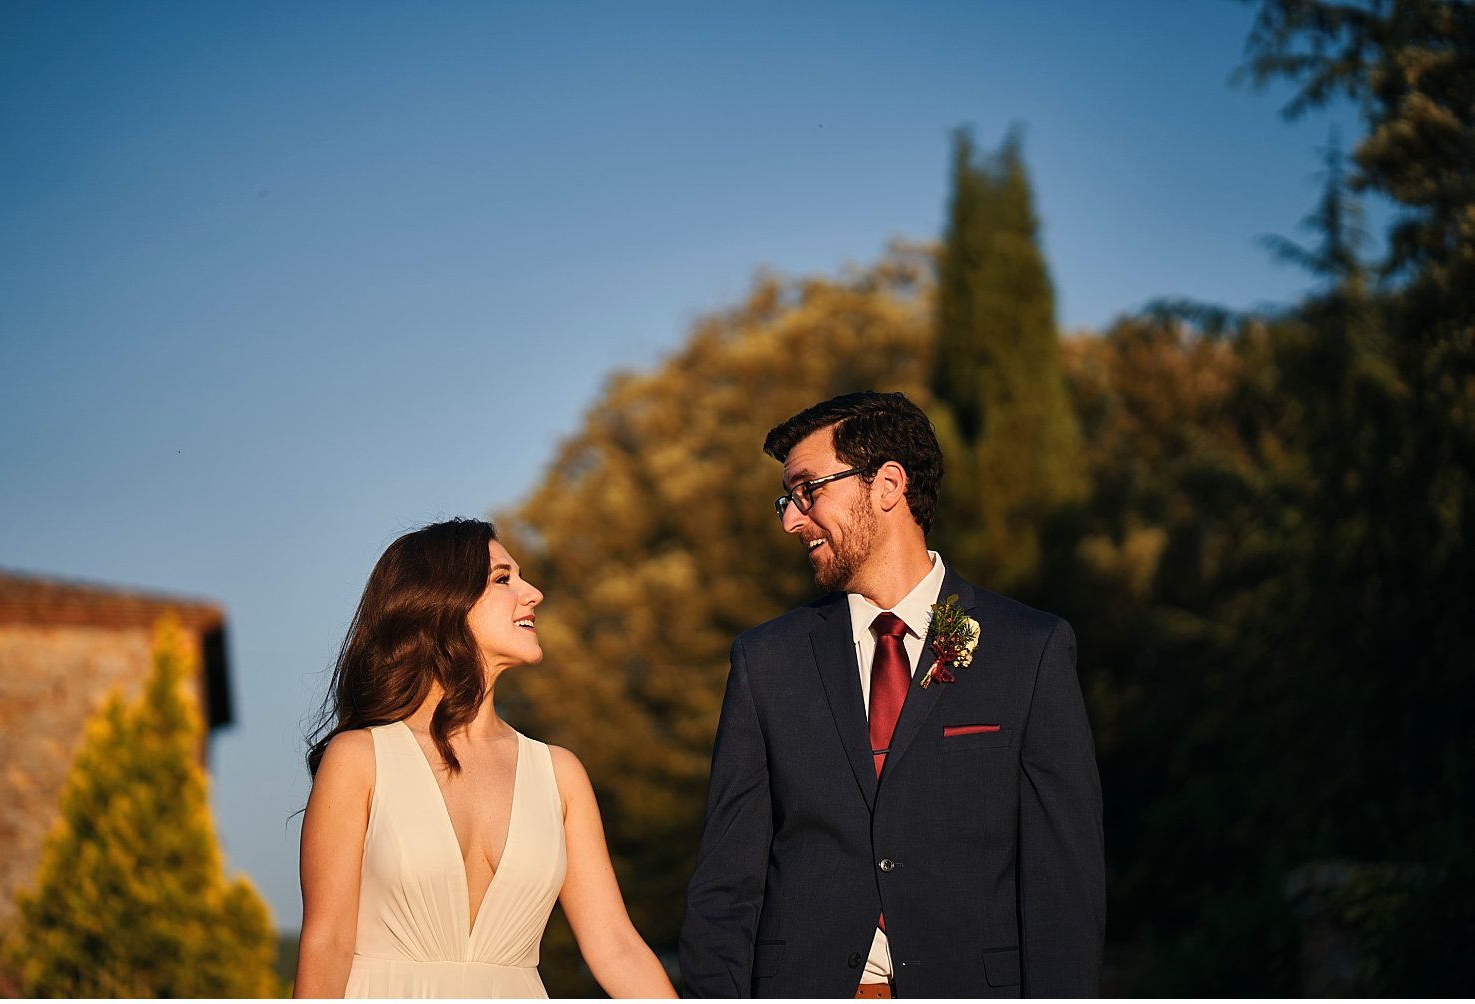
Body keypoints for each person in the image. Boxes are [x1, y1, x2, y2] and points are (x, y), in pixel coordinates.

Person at [680, 391, 1104, 998]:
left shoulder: (1029, 649)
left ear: (887, 485)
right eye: (786, 499)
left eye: (807, 490)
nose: (791, 520)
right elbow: (726, 884)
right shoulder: (765, 661)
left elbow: (1064, 882)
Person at [294, 518, 676, 999]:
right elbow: (327, 943)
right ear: (442, 601)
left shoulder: (560, 775)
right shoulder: (360, 759)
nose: (533, 593)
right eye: (503, 578)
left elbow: (615, 946)